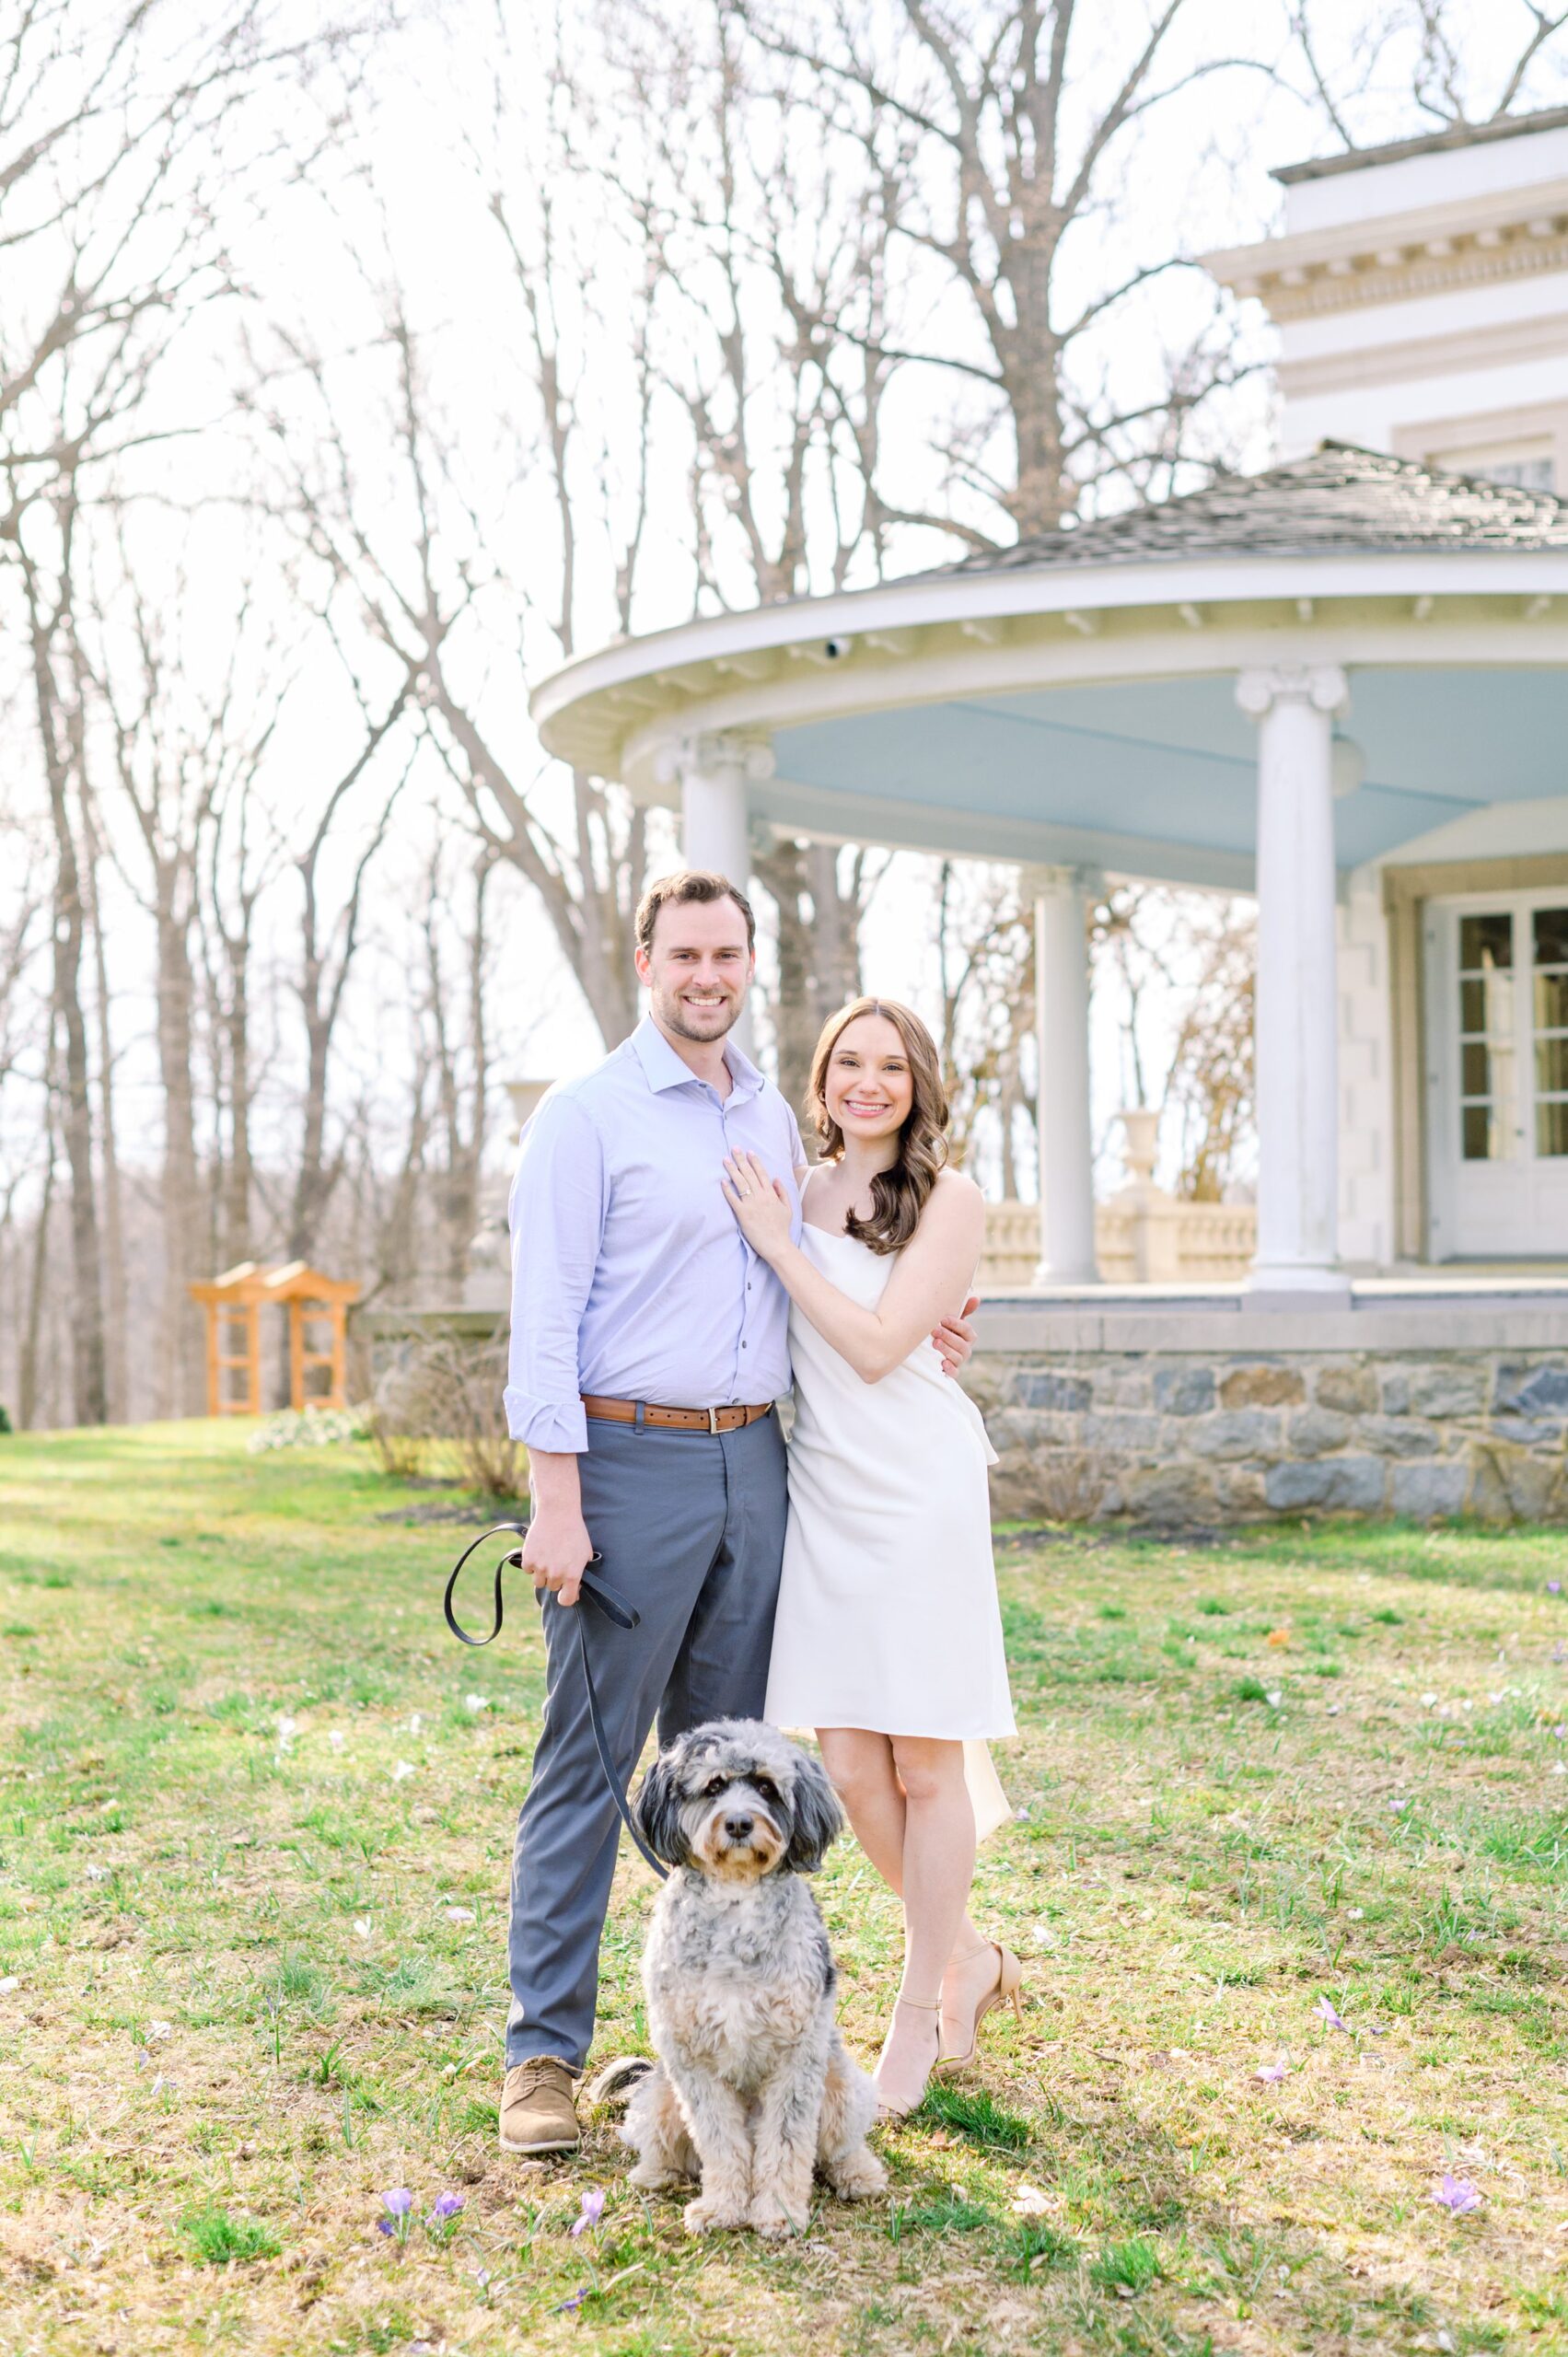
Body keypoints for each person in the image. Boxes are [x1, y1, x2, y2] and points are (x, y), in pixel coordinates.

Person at [498, 871, 976, 2157]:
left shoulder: (773, 1115)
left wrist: (939, 1319)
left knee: (728, 1777)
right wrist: (556, 1496)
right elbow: (542, 1315)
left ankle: (697, 2039)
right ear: (644, 961)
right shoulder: (585, 1117)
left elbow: (839, 1268)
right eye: (685, 954)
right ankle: (542, 2056)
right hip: (626, 1465)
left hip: (758, 1470)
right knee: (592, 1770)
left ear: (748, 965)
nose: (707, 975)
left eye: (727, 955)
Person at [721, 996, 1020, 2121]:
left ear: (917, 1083)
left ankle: (919, 2005)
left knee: (926, 1766)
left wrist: (780, 1251)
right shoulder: (790, 1191)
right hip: (827, 1496)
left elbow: (884, 1344)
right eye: (848, 1062)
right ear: (821, 1079)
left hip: (919, 1492)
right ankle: (972, 1952)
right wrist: (776, 1236)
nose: (867, 1082)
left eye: (889, 1065)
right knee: (849, 1767)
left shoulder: (950, 1199)